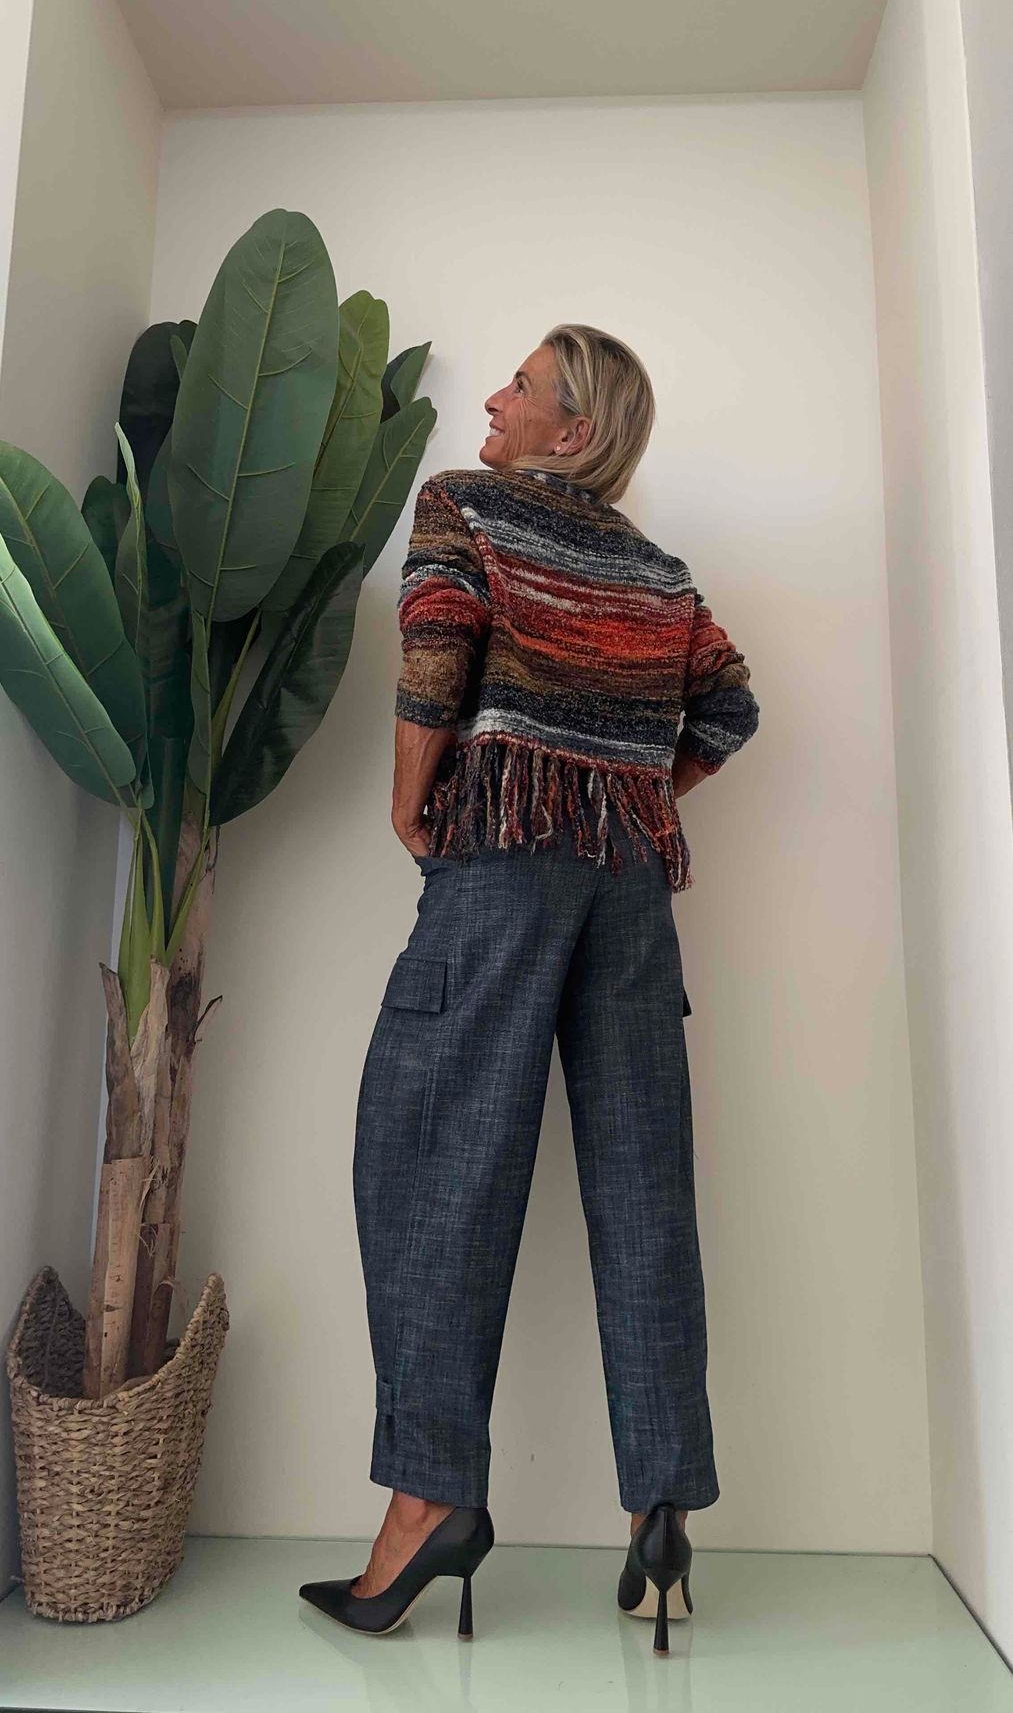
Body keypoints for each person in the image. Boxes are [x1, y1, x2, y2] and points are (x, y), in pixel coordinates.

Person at [299, 324, 759, 1652]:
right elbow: (728, 710)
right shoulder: (659, 574)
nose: (493, 400)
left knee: (429, 1157)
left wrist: (411, 806)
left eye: (521, 386)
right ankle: (660, 1515)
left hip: (501, 860)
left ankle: (428, 1500)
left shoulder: (467, 506)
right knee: (640, 1180)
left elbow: (435, 654)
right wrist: (632, 795)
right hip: (629, 893)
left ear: (574, 431)